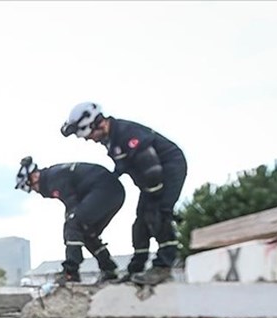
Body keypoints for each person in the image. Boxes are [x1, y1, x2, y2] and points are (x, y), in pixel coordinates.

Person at [61, 102, 187, 285]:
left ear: (99, 123)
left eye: (89, 135)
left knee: (158, 213)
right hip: (149, 178)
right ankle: (136, 269)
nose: (90, 139)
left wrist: (155, 196)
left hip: (167, 169)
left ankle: (163, 267)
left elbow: (150, 166)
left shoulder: (126, 133)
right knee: (140, 223)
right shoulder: (111, 139)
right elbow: (125, 165)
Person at [15, 157, 125, 283]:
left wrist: (70, 224)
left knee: (73, 226)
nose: (34, 191)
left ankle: (70, 272)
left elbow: (72, 205)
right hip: (113, 192)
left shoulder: (53, 180)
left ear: (34, 177)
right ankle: (109, 268)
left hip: (104, 190)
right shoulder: (53, 176)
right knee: (87, 232)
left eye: (31, 187)